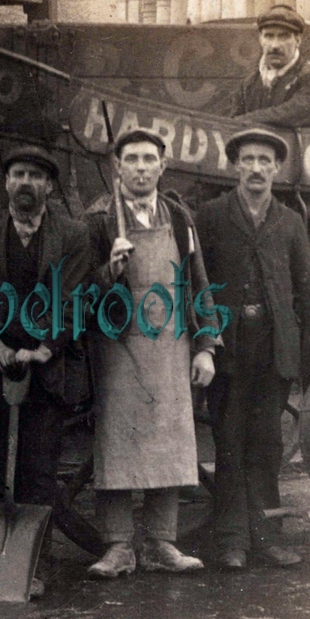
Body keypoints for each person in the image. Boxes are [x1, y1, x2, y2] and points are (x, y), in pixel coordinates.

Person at [195, 128, 310, 569]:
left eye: (265, 161)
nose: (256, 168)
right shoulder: (211, 216)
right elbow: (195, 280)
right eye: (248, 159)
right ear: (235, 165)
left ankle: (267, 536)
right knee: (229, 440)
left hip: (275, 346)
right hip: (228, 345)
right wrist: (203, 339)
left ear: (276, 169)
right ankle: (232, 541)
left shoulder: (290, 222)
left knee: (267, 443)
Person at [82, 129, 220, 578]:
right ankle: (118, 547)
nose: (141, 168)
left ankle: (162, 543)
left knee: (169, 440)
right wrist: (109, 269)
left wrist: (205, 346)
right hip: (119, 345)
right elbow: (78, 289)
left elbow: (199, 284)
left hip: (173, 345)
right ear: (116, 167)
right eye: (132, 160)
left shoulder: (179, 217)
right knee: (118, 442)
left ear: (163, 167)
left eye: (149, 159)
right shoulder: (98, 219)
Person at [0, 147, 94, 518]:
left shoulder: (72, 236)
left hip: (49, 369)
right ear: (5, 183)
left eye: (35, 176)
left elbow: (73, 302)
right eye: (18, 174)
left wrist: (45, 349)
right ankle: (2, 565)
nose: (25, 183)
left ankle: (38, 566)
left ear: (49, 186)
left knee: (39, 471)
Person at [220, 5, 310, 128]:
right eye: (268, 36)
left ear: (298, 40)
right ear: (260, 39)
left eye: (284, 36)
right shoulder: (249, 83)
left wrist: (240, 122)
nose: (275, 45)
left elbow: (290, 113)